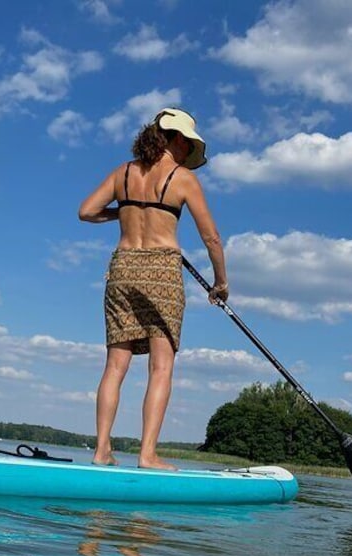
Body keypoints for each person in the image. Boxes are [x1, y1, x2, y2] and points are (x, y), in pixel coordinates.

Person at [78, 107, 228, 470]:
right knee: (161, 367)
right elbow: (211, 237)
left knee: (115, 365)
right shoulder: (182, 179)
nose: (187, 151)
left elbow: (86, 211)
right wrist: (221, 282)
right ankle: (147, 455)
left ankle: (101, 451)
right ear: (176, 138)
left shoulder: (123, 172)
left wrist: (123, 210)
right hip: (161, 271)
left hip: (123, 268)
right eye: (187, 143)